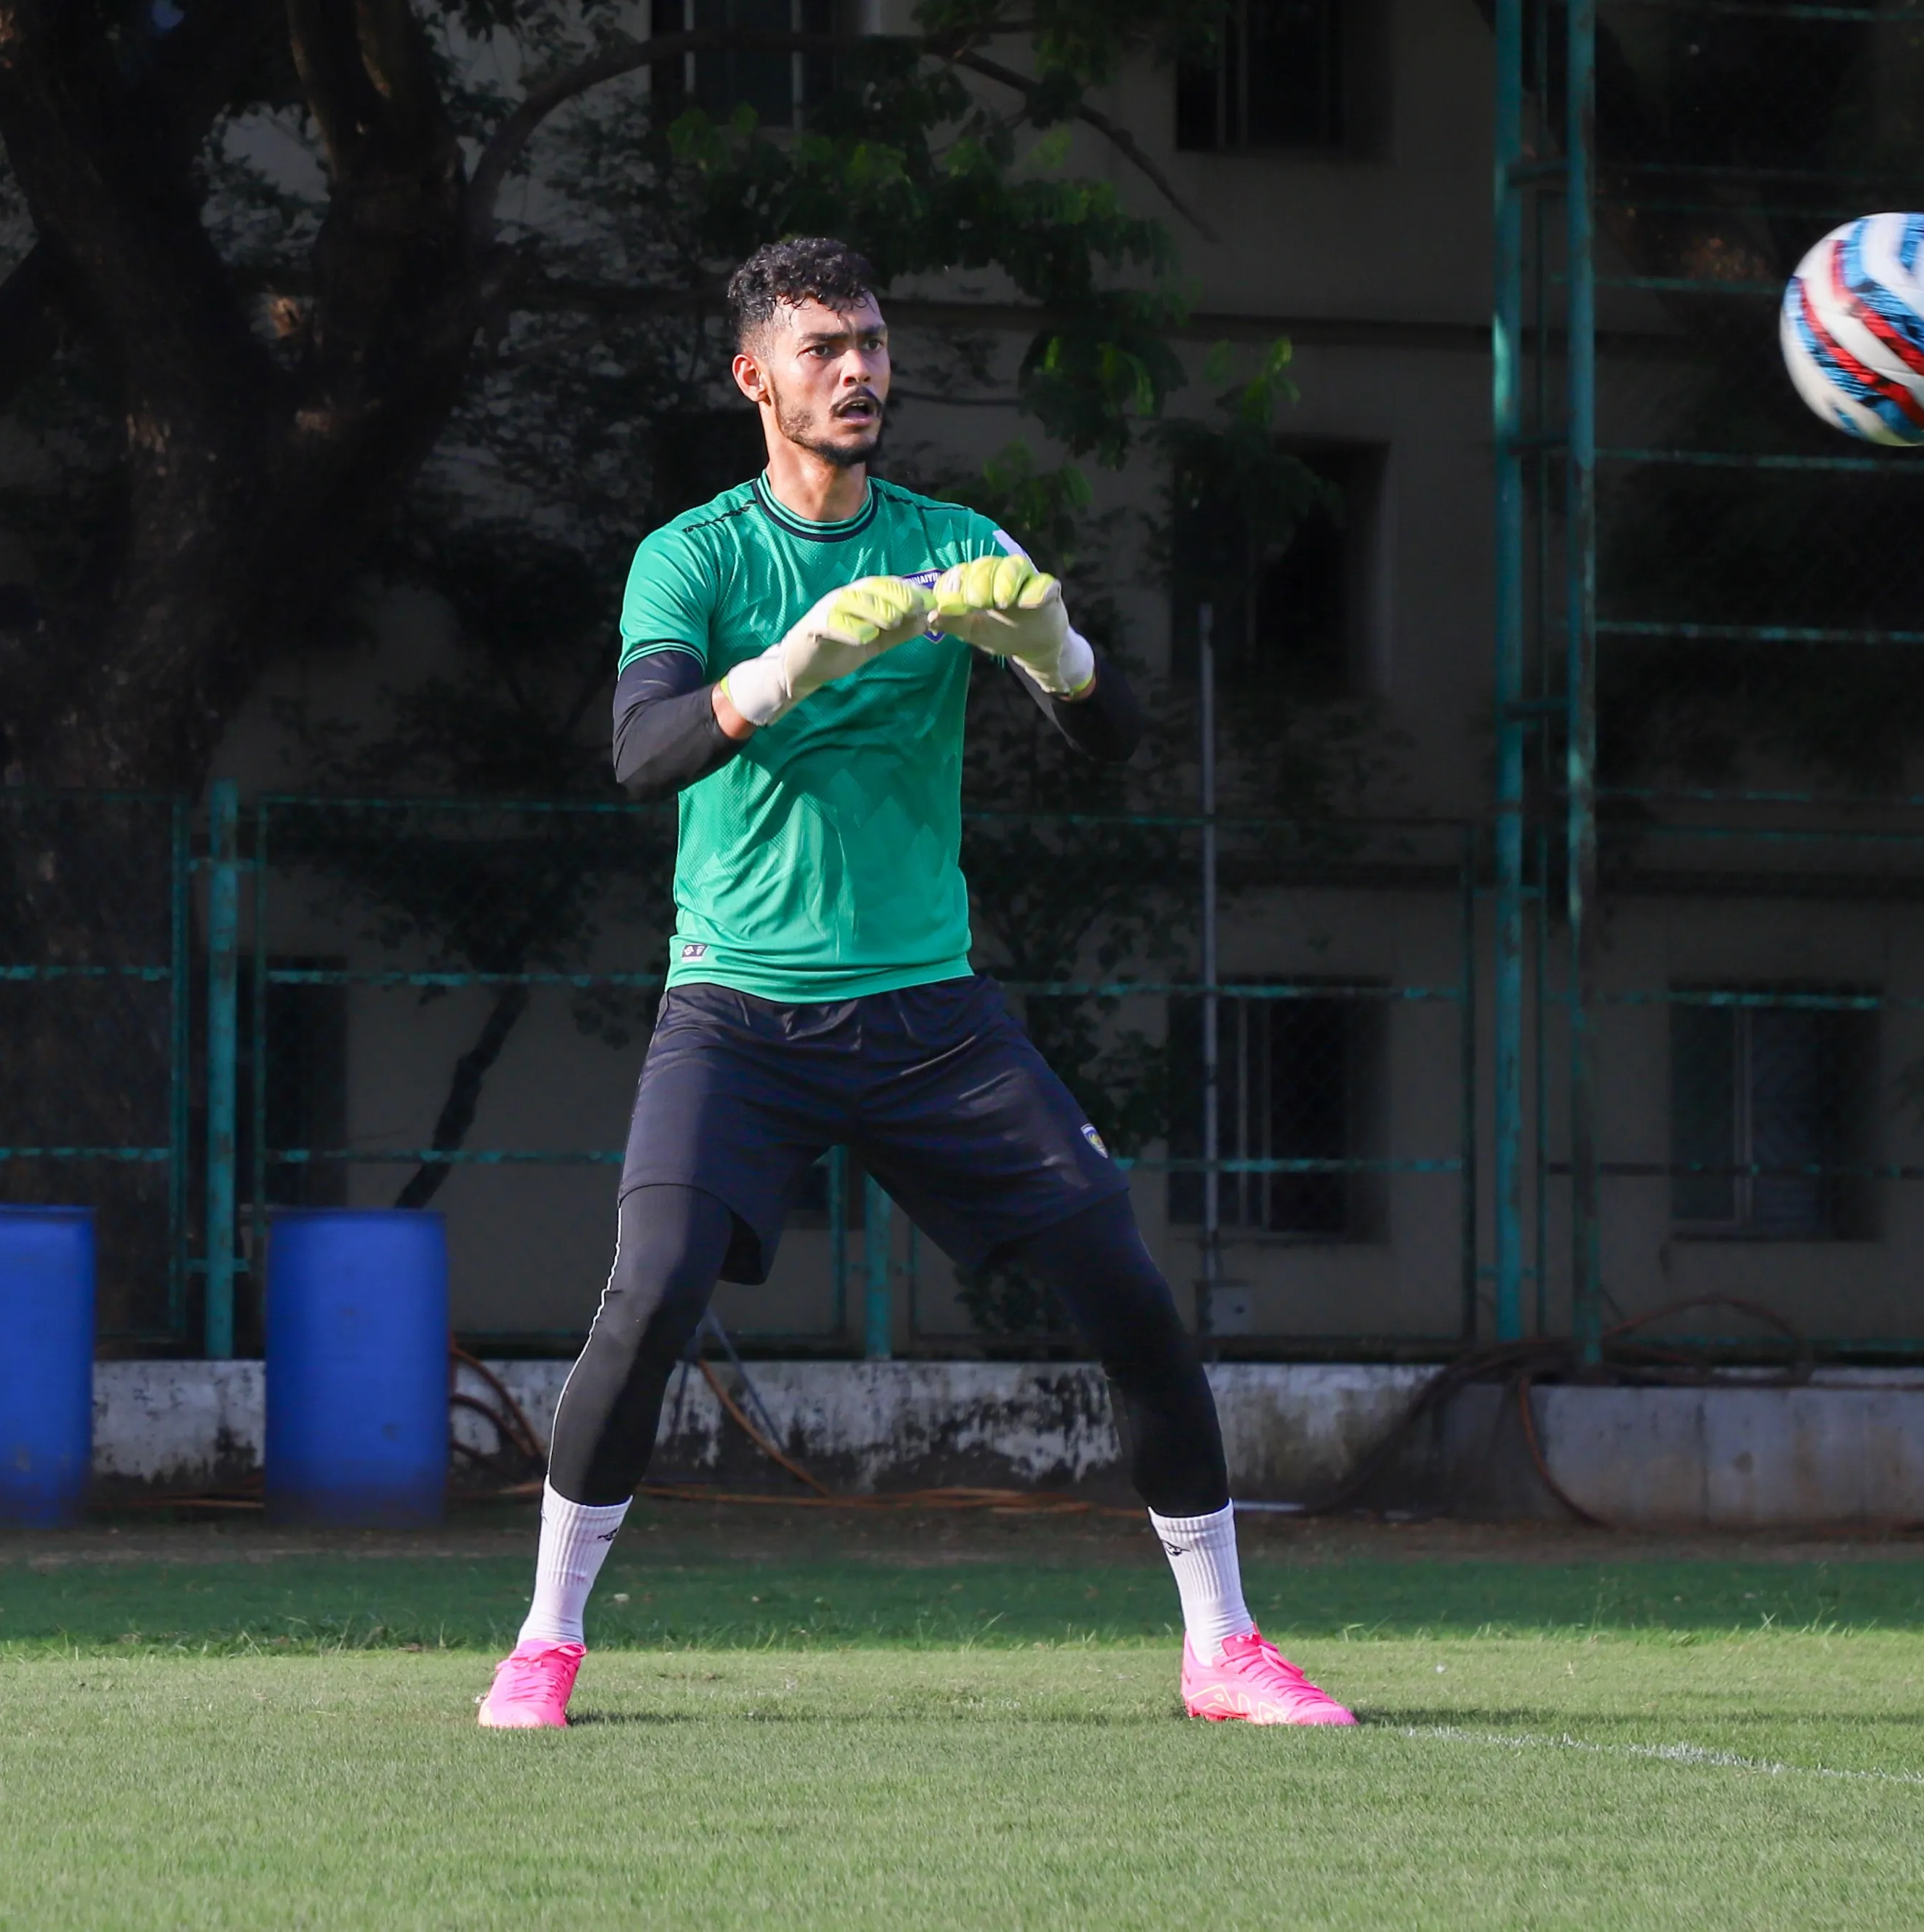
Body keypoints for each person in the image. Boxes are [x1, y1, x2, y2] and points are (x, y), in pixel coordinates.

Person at [476, 236, 1353, 1730]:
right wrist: (801, 656)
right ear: (756, 376)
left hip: (930, 1018)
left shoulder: (950, 537)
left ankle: (1223, 1649)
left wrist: (1053, 644)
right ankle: (544, 1643)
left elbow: (1111, 734)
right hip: (735, 1014)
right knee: (651, 1292)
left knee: (1128, 1293)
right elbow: (642, 751)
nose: (861, 369)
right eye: (825, 348)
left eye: (872, 342)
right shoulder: (694, 555)